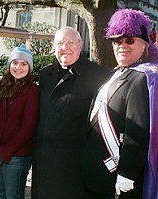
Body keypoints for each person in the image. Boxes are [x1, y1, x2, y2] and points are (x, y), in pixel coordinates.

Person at [83, 8, 158, 199]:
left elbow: (138, 132)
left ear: (144, 45)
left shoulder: (143, 77)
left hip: (119, 179)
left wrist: (127, 173)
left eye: (130, 40)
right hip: (97, 174)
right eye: (117, 40)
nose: (122, 45)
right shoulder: (114, 74)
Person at [32, 26, 108, 199]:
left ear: (81, 46)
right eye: (60, 43)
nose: (65, 47)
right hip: (44, 161)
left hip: (75, 165)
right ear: (54, 47)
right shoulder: (45, 74)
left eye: (71, 42)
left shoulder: (97, 75)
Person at [0, 44, 40, 199]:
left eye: (23, 64)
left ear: (29, 67)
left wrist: (3, 153)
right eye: (15, 62)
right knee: (2, 195)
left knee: (13, 196)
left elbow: (27, 129)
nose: (18, 67)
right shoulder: (3, 85)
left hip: (17, 157)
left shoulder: (32, 91)